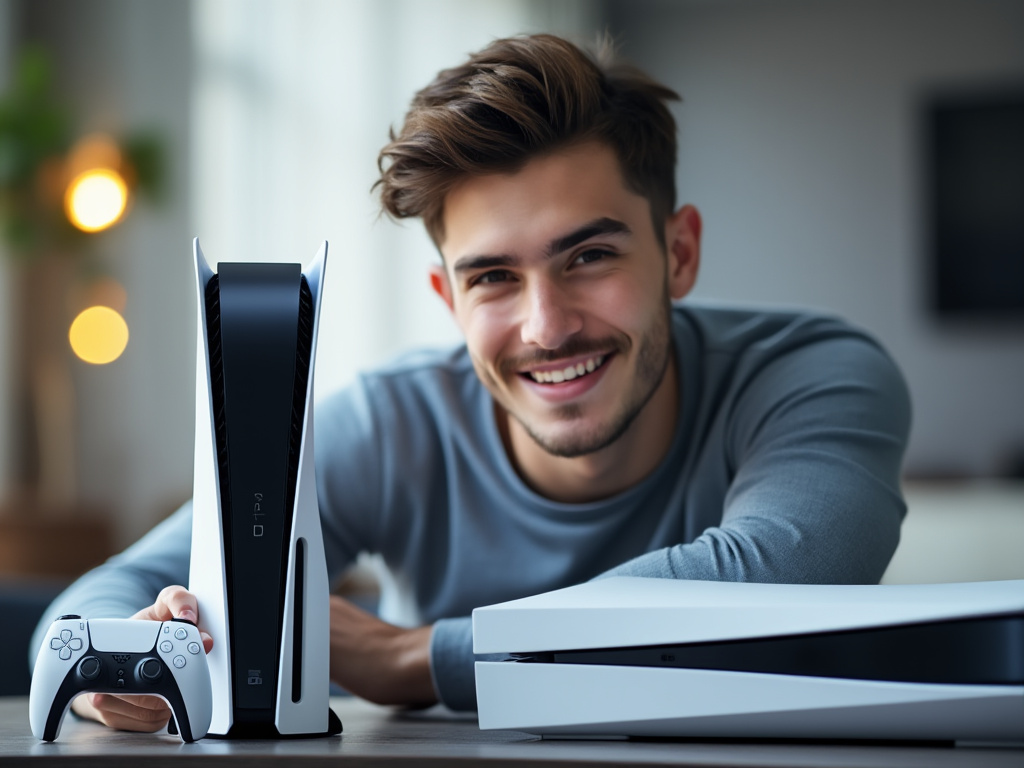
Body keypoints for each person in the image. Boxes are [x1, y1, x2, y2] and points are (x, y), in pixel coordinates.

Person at [32, 33, 911, 730]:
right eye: (493, 277)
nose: (547, 324)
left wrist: (417, 659)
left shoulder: (813, 374)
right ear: (447, 298)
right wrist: (126, 671)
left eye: (590, 255)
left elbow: (784, 579)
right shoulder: (392, 423)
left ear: (679, 252)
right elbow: (87, 608)